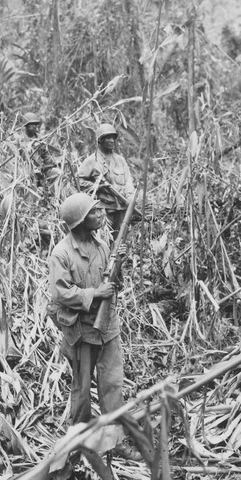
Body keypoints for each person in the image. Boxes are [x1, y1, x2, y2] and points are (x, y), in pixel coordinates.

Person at [47, 192, 141, 461]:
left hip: (107, 327)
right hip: (81, 331)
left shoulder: (102, 246)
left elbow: (113, 285)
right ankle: (79, 443)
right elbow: (60, 294)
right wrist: (93, 295)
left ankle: (115, 442)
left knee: (112, 387)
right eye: (94, 212)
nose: (101, 214)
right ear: (79, 221)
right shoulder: (61, 253)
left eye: (100, 210)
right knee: (82, 392)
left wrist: (118, 264)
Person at [77, 123, 135, 238]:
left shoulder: (120, 160)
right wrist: (98, 187)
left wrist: (130, 198)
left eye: (113, 137)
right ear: (100, 140)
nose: (112, 140)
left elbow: (128, 181)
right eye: (108, 137)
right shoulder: (91, 161)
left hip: (121, 207)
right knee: (104, 240)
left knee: (120, 239)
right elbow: (79, 182)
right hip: (102, 209)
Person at [18, 112, 61, 189]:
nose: (34, 126)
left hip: (41, 169)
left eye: (35, 124)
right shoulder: (21, 139)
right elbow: (18, 159)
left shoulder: (40, 138)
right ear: (26, 126)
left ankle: (50, 194)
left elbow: (46, 154)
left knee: (58, 173)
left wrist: (52, 163)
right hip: (26, 171)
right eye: (32, 124)